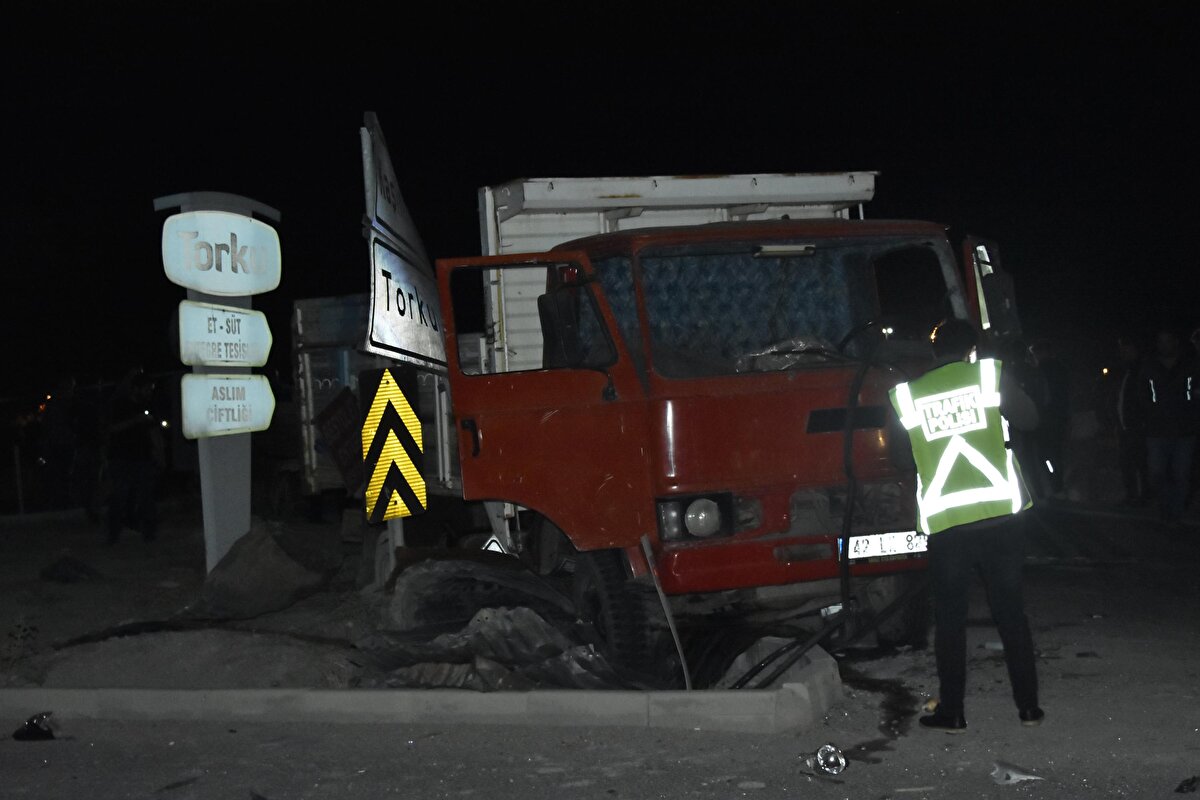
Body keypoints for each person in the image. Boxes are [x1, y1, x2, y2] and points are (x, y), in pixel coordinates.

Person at [888, 318, 1043, 733]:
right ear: (971, 350)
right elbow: (1030, 419)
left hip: (949, 525)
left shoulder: (909, 396)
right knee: (1011, 613)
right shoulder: (988, 377)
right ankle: (1028, 708)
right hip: (1000, 518)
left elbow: (901, 458)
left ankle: (952, 712)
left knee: (951, 622)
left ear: (932, 352)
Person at [1135, 326, 1200, 527]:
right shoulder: (1149, 365)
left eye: (1168, 340)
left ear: (1175, 342)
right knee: (1157, 472)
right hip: (1157, 430)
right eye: (1160, 341)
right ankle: (1165, 507)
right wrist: (1148, 414)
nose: (1164, 345)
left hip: (1184, 430)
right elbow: (1141, 394)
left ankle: (1176, 513)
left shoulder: (1190, 364)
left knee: (1182, 474)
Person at [103, 370, 164, 543]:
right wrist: (134, 421)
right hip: (121, 458)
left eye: (150, 389)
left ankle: (149, 535)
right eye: (146, 388)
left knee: (146, 499)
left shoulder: (148, 406)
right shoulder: (120, 405)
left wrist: (159, 453)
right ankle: (113, 535)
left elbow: (154, 431)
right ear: (135, 388)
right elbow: (111, 429)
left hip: (142, 458)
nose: (148, 392)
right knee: (118, 498)